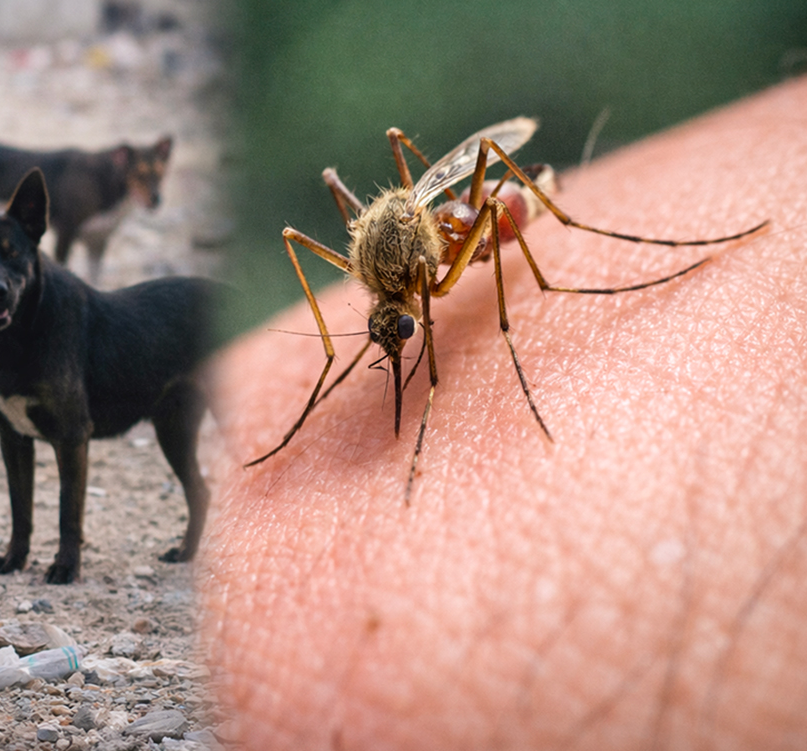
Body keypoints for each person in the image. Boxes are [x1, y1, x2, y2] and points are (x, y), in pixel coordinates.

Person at [200, 78, 807, 749]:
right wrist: (330, 360)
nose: (394, 326)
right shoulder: (382, 281)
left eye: (394, 322)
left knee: (469, 195)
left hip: (493, 218)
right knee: (317, 227)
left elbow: (429, 292)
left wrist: (441, 367)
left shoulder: (419, 278)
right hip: (419, 236)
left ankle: (567, 238)